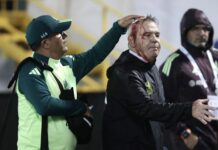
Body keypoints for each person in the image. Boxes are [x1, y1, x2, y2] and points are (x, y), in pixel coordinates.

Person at [14, 14, 141, 150]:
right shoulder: (29, 70)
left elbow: (95, 54)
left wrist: (118, 28)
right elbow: (44, 105)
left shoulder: (67, 64)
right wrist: (80, 107)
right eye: (60, 33)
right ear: (45, 43)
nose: (65, 36)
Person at [102, 15, 215, 150]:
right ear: (132, 41)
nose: (154, 39)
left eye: (157, 35)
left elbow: (161, 108)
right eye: (147, 35)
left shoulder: (150, 66)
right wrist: (190, 109)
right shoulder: (124, 73)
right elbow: (148, 108)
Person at [160, 8, 218, 150]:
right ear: (185, 32)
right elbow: (160, 105)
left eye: (205, 29)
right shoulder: (174, 63)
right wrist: (184, 133)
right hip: (190, 141)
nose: (202, 33)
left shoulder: (217, 57)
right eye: (196, 29)